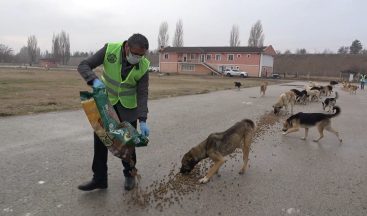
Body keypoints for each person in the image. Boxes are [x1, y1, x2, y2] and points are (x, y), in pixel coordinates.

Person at [77, 33, 150, 191]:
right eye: (135, 54)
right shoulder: (109, 49)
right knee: (101, 140)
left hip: (128, 108)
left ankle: (130, 174)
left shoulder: (144, 65)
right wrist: (93, 80)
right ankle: (100, 179)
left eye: (141, 55)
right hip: (106, 104)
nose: (137, 57)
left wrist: (143, 119)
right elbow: (83, 65)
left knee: (127, 144)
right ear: (126, 47)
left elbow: (142, 93)